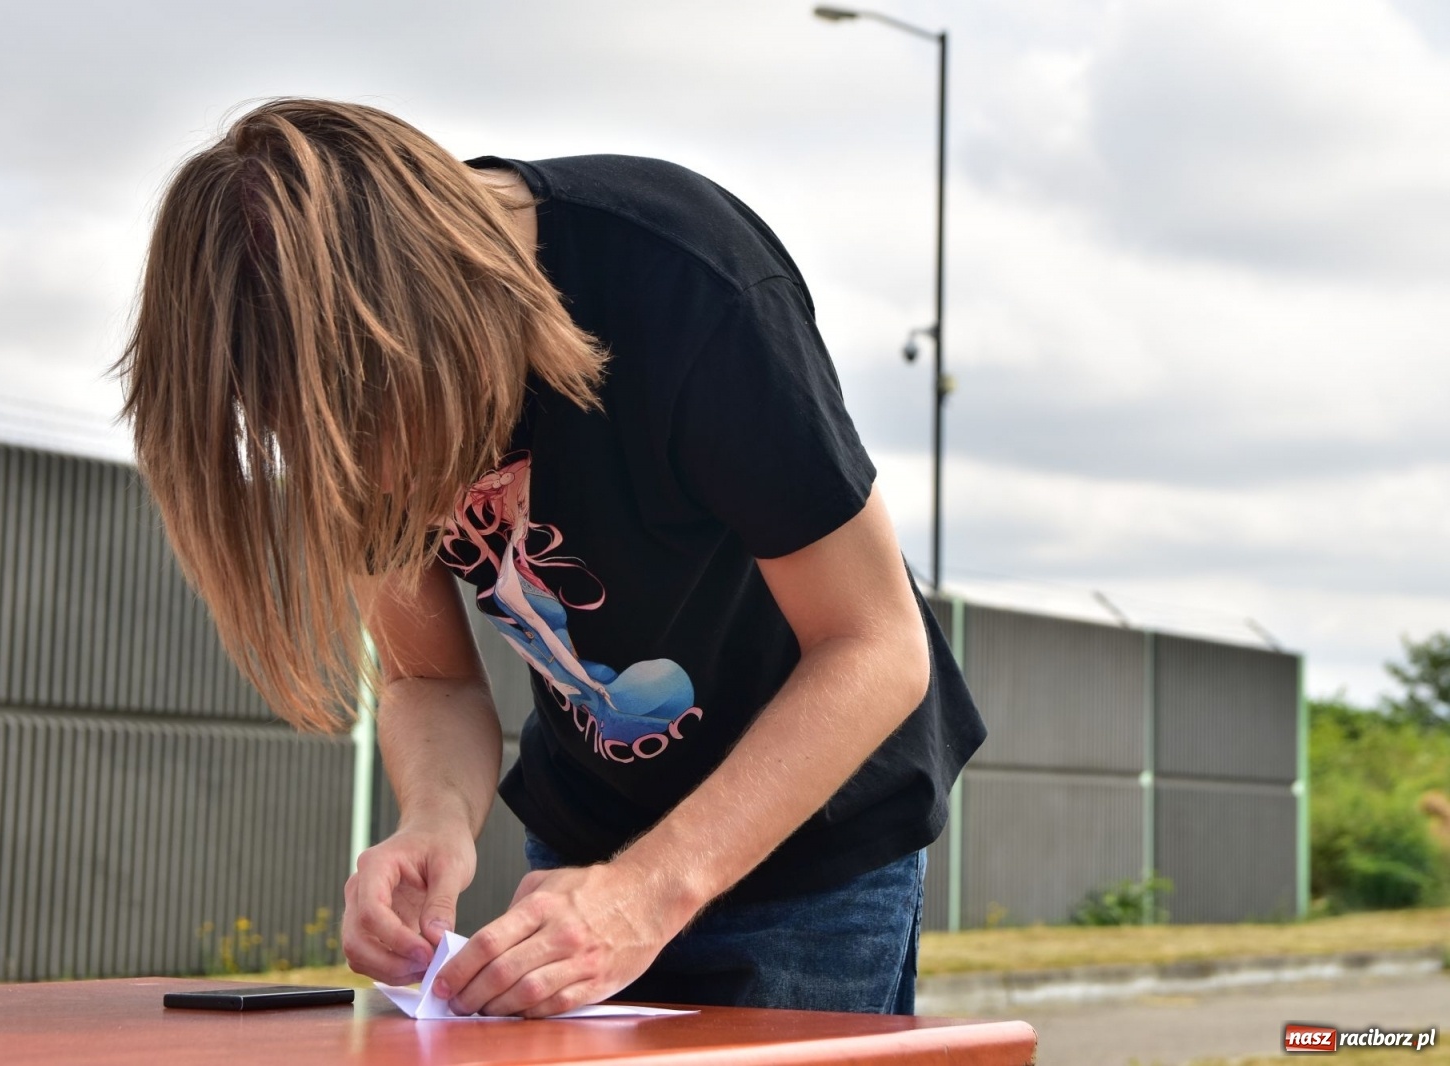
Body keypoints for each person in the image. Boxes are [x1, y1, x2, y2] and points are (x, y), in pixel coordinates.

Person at [119, 98, 985, 1018]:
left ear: (423, 319)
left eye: (376, 428)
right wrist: (436, 819)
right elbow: (428, 677)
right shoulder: (332, 391)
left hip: (811, 851)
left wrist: (648, 892)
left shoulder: (690, 282)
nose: (372, 479)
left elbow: (874, 645)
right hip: (583, 855)